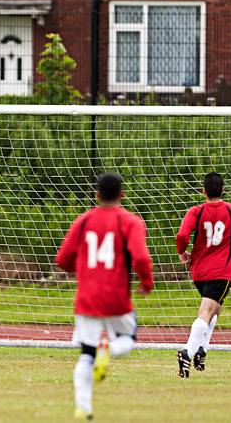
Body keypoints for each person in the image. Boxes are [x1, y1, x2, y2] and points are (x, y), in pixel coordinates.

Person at [55, 172, 153, 421]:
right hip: (117, 298)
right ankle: (107, 348)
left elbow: (63, 259)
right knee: (128, 338)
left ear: (96, 194)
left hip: (87, 298)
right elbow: (141, 257)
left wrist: (85, 271)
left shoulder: (84, 221)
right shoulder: (130, 222)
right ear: (122, 195)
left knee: (86, 354)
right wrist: (146, 281)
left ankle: (83, 407)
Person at [175, 172, 231, 378]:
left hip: (199, 271)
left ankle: (202, 349)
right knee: (206, 312)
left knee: (214, 309)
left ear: (203, 191)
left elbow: (182, 235)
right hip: (220, 271)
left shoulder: (196, 211)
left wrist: (181, 252)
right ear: (223, 190)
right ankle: (188, 351)